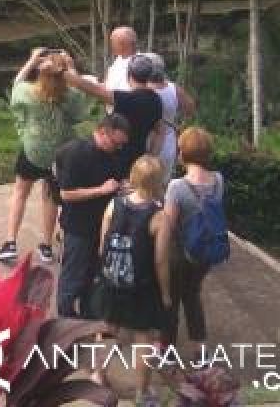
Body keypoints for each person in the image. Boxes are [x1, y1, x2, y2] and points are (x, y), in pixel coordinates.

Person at [0, 48, 85, 266]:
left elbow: (15, 85)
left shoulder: (27, 92)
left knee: (20, 193)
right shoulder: (72, 95)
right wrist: (71, 67)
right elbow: (78, 114)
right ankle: (46, 246)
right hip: (60, 154)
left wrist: (31, 60)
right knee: (51, 197)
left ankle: (10, 243)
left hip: (33, 151)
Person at [98, 154, 173, 406]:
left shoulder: (113, 205)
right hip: (141, 287)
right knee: (144, 339)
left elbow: (103, 245)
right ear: (158, 182)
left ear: (133, 176)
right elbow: (161, 261)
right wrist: (165, 293)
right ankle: (142, 392)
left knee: (108, 331)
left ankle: (99, 375)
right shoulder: (159, 216)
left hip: (112, 280)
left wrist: (107, 270)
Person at [53, 113, 130, 318]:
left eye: (122, 145)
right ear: (103, 133)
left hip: (102, 225)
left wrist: (123, 187)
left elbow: (115, 181)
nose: (119, 148)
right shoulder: (77, 153)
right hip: (79, 226)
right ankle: (66, 321)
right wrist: (100, 190)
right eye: (116, 143)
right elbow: (66, 194)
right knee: (73, 276)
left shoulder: (114, 154)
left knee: (93, 275)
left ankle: (89, 315)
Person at [163, 127, 225, 351]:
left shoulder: (176, 187)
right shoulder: (218, 180)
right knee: (192, 295)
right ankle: (201, 348)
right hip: (206, 251)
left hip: (180, 253)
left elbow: (169, 225)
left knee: (170, 300)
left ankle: (168, 352)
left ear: (182, 153)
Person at [62, 54, 162, 179]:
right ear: (149, 76)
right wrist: (150, 156)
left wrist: (65, 68)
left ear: (128, 75)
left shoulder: (125, 99)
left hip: (116, 155)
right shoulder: (156, 100)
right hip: (139, 158)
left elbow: (84, 86)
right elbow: (159, 132)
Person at [142, 52, 196, 183]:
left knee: (142, 183)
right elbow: (191, 108)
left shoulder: (140, 89)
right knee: (162, 184)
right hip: (168, 140)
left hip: (145, 140)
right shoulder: (173, 88)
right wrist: (180, 126)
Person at [104, 26, 138, 92]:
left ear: (124, 45)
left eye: (113, 42)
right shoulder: (119, 59)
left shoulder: (139, 64)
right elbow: (108, 85)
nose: (111, 46)